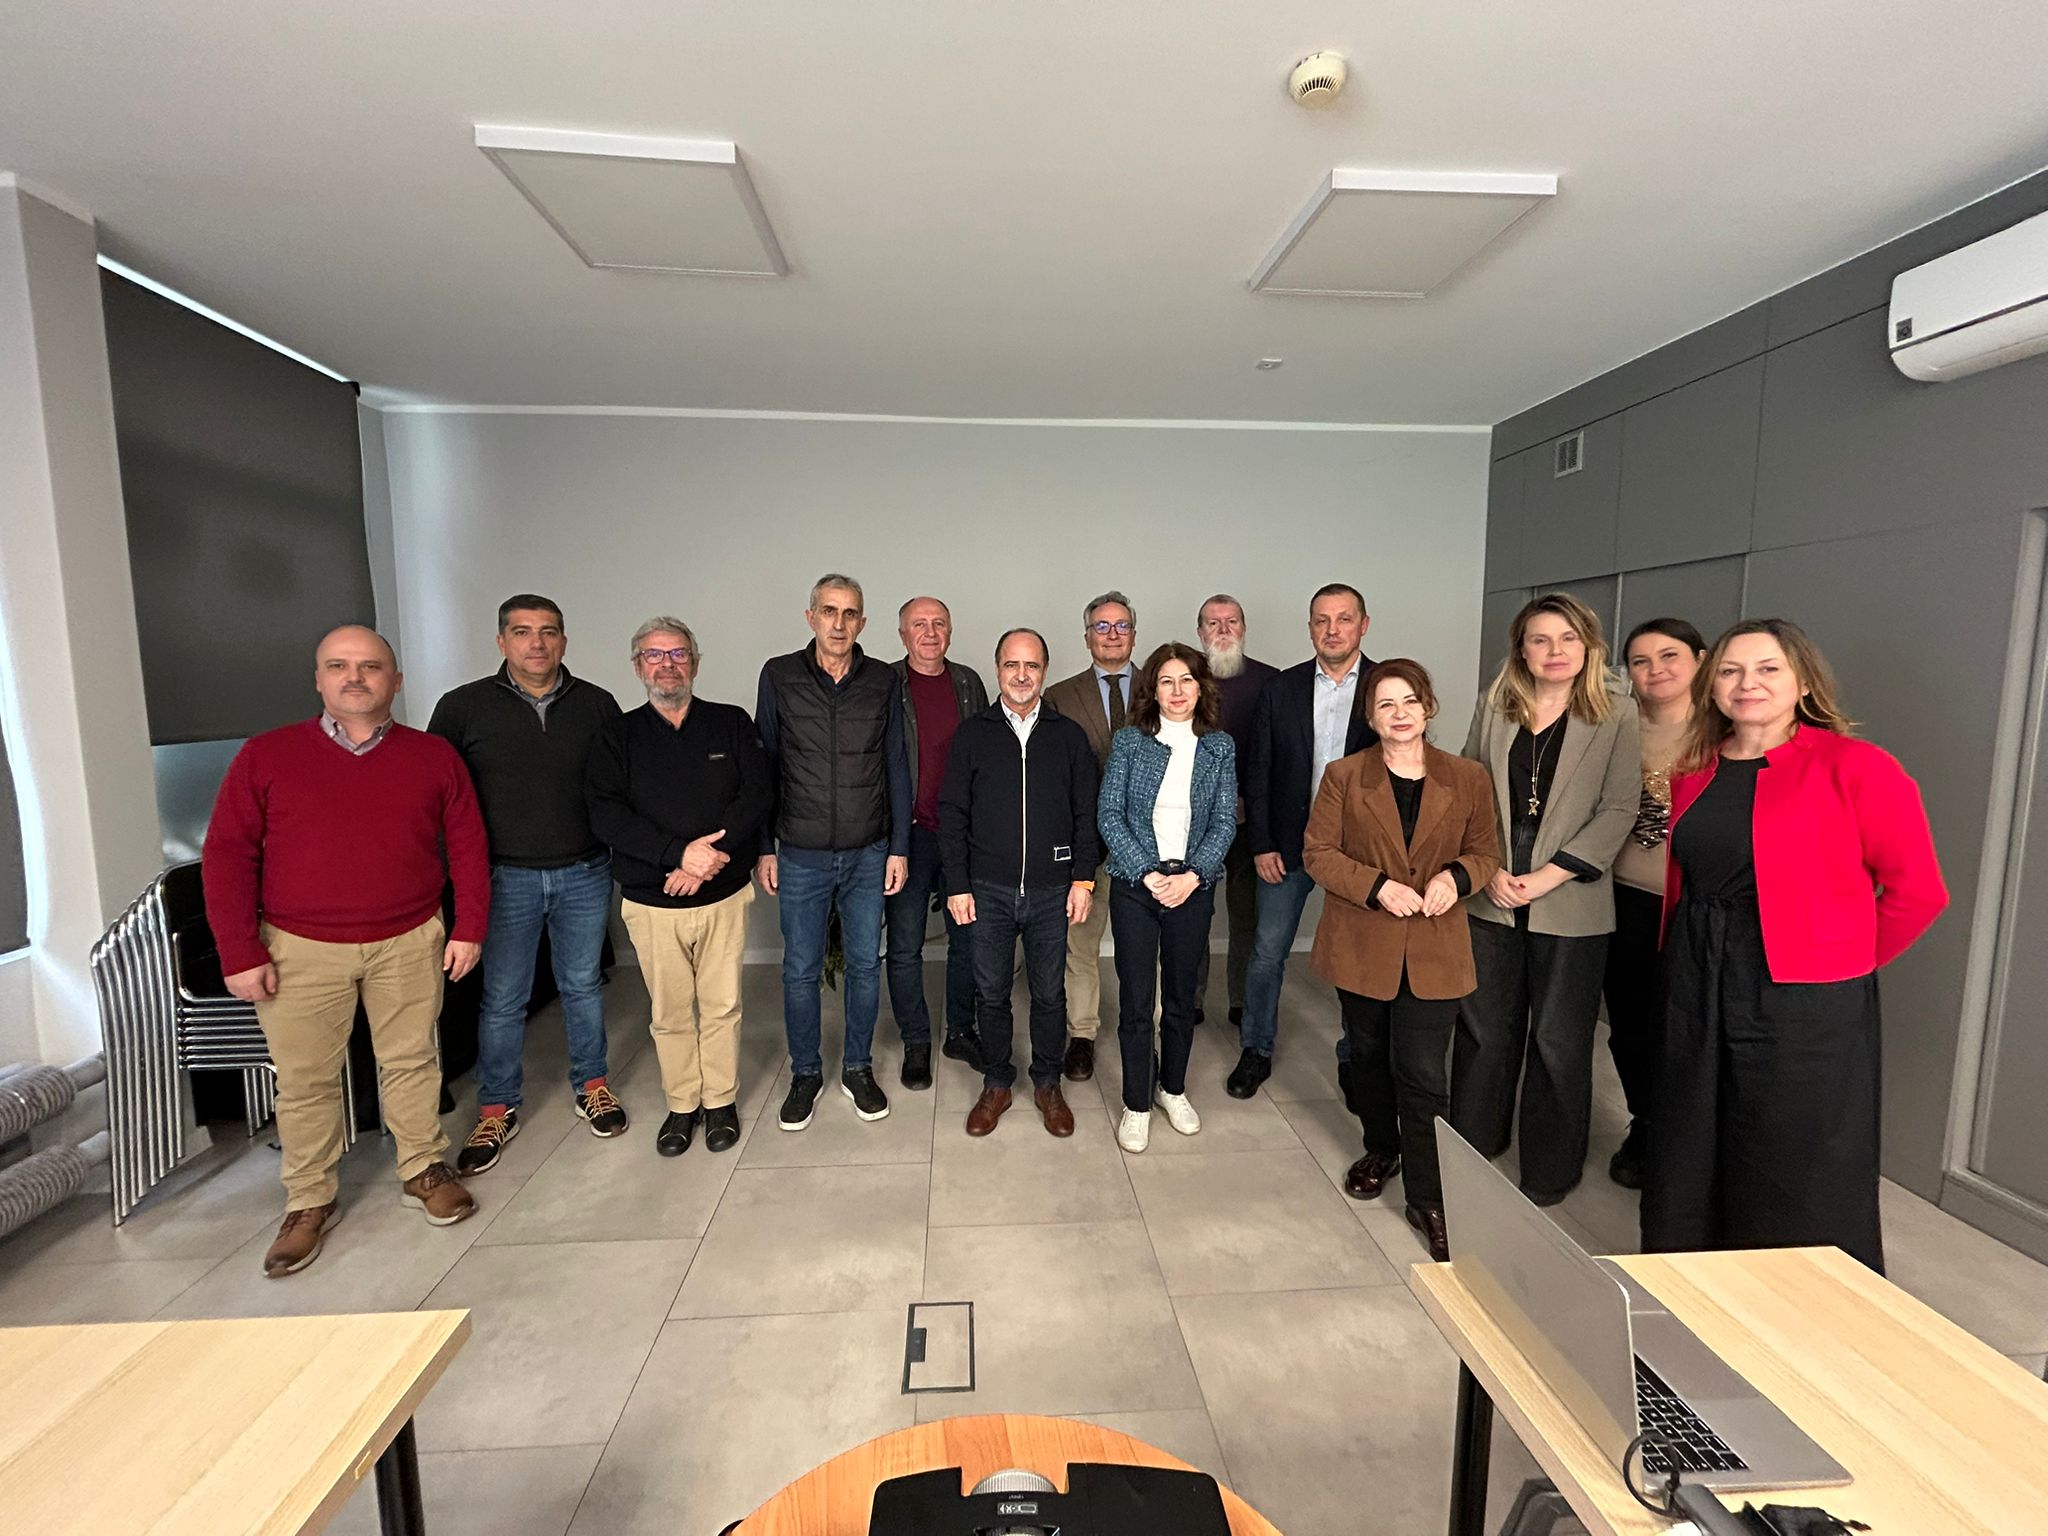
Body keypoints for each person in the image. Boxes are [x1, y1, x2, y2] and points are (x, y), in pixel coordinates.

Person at [1642, 620, 1945, 1273]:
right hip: (1696, 971)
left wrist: (1840, 964)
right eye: (1730, 670)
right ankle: (1691, 1282)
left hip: (1801, 992)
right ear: (1711, 685)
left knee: (1792, 1149)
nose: (1747, 683)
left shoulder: (1856, 766)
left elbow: (1918, 891)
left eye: (1768, 668)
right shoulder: (1695, 768)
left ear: (1803, 681)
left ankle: (1797, 1299)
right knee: (1690, 1131)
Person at [202, 626, 489, 1277]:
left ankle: (423, 1167)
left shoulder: (433, 756)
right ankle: (309, 1200)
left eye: (370, 666)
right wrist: (239, 950)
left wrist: (469, 926)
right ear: (319, 679)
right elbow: (227, 854)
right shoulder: (266, 755)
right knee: (305, 1079)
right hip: (300, 946)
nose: (355, 677)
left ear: (396, 681)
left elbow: (468, 845)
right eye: (339, 666)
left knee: (413, 1060)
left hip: (408, 936)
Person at [1303, 659, 1500, 1262]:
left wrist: (1455, 878)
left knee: (1421, 1073)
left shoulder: (1467, 777)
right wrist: (1377, 887)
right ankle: (1380, 1148)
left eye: (1410, 701)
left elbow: (1485, 852)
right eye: (1386, 704)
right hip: (1363, 941)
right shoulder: (1344, 775)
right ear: (1371, 716)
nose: (1400, 713)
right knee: (1367, 1056)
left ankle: (1428, 1196)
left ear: (1428, 706)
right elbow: (1318, 853)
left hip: (1436, 947)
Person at [1450, 593, 1640, 1206]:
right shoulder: (1495, 704)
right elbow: (1470, 789)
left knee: (1558, 1041)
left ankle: (1550, 1168)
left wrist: (1547, 877)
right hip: (1493, 894)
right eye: (1540, 639)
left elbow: (1619, 808)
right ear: (1521, 649)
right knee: (1483, 1030)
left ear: (1588, 646)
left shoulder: (1617, 712)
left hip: (1571, 899)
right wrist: (1490, 868)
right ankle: (1475, 1144)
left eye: (1567, 638)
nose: (1554, 651)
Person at [428, 594, 626, 1177]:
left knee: (582, 985)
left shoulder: (597, 704)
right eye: (522, 632)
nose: (536, 643)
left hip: (584, 871)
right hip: (503, 877)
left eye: (548, 632)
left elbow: (618, 785)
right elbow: (439, 799)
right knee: (503, 999)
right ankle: (497, 1107)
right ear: (501, 641)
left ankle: (592, 1085)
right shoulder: (462, 708)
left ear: (564, 640)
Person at [587, 618, 774, 1156]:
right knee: (669, 1013)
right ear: (637, 666)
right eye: (654, 655)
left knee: (721, 1005)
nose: (667, 665)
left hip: (723, 893)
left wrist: (705, 861)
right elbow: (606, 814)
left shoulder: (730, 723)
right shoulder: (617, 735)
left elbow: (756, 793)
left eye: (677, 654)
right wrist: (676, 855)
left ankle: (720, 1100)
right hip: (652, 901)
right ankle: (682, 1104)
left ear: (694, 661)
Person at [756, 574, 912, 1131]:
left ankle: (857, 1068)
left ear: (862, 623)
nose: (839, 623)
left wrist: (899, 847)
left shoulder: (882, 680)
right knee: (800, 969)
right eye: (829, 611)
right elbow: (765, 764)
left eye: (849, 614)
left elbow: (896, 763)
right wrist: (764, 847)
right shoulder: (779, 675)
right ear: (811, 617)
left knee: (866, 965)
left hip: (869, 851)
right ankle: (805, 1073)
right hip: (800, 853)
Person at [938, 628, 1100, 1137]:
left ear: (1044, 671)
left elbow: (1086, 813)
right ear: (998, 670)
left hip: (1053, 890)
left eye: (1031, 665)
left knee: (1049, 993)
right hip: (986, 888)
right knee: (991, 993)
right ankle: (997, 1081)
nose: (1022, 675)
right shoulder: (973, 735)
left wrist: (1083, 879)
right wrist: (957, 884)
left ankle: (1048, 1083)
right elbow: (952, 813)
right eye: (1012, 664)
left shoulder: (1069, 736)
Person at [1237, 583, 1378, 1098]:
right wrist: (1261, 842)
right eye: (1322, 620)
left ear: (1363, 625)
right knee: (1267, 952)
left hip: (1360, 849)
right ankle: (1256, 1049)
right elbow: (1259, 769)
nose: (1332, 630)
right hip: (1288, 842)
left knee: (1358, 957)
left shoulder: (1386, 686)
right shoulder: (1283, 688)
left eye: (1344, 619)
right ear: (1310, 627)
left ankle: (1355, 1058)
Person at [1097, 642, 1238, 1153]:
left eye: (1186, 681)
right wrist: (1145, 873)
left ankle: (1171, 1089)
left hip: (1193, 888)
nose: (1177, 691)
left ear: (1200, 688)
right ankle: (1137, 1103)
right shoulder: (1130, 741)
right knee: (1136, 1001)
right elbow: (1109, 814)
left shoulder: (1219, 746)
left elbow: (1224, 821)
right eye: (1166, 681)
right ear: (1152, 690)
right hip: (1137, 889)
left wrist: (1194, 875)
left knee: (1181, 999)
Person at [1601, 617, 1707, 1189]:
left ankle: (1688, 1136)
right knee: (1630, 1024)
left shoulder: (1724, 731)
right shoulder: (1616, 727)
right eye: (1640, 661)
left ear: (1700, 660)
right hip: (1622, 898)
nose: (1655, 670)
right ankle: (1645, 1123)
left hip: (1693, 904)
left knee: (1689, 1027)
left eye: (1669, 656)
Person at [887, 595, 989, 1089]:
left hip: (963, 834)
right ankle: (916, 1041)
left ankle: (961, 1032)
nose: (930, 633)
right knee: (904, 944)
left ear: (950, 631)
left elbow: (989, 753)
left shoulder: (968, 682)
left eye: (939, 624)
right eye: (919, 624)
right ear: (902, 634)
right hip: (907, 835)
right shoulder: (886, 684)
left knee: (967, 938)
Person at [1041, 590, 1139, 1083]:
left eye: (1121, 626)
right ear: (1086, 637)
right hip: (1087, 844)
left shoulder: (1164, 687)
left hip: (1147, 848)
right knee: (1080, 944)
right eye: (1102, 626)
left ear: (1134, 635)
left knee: (1145, 948)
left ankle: (1148, 1031)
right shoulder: (1060, 696)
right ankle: (1081, 1035)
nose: (1112, 634)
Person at [1193, 594, 1280, 1031]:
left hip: (1251, 818)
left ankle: (1242, 1001)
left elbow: (1276, 753)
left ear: (1244, 629)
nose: (1223, 629)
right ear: (1200, 632)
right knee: (1193, 912)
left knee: (1247, 914)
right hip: (1194, 822)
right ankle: (1190, 998)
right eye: (1213, 623)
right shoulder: (1183, 678)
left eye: (1231, 621)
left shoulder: (1272, 682)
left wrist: (1249, 801)